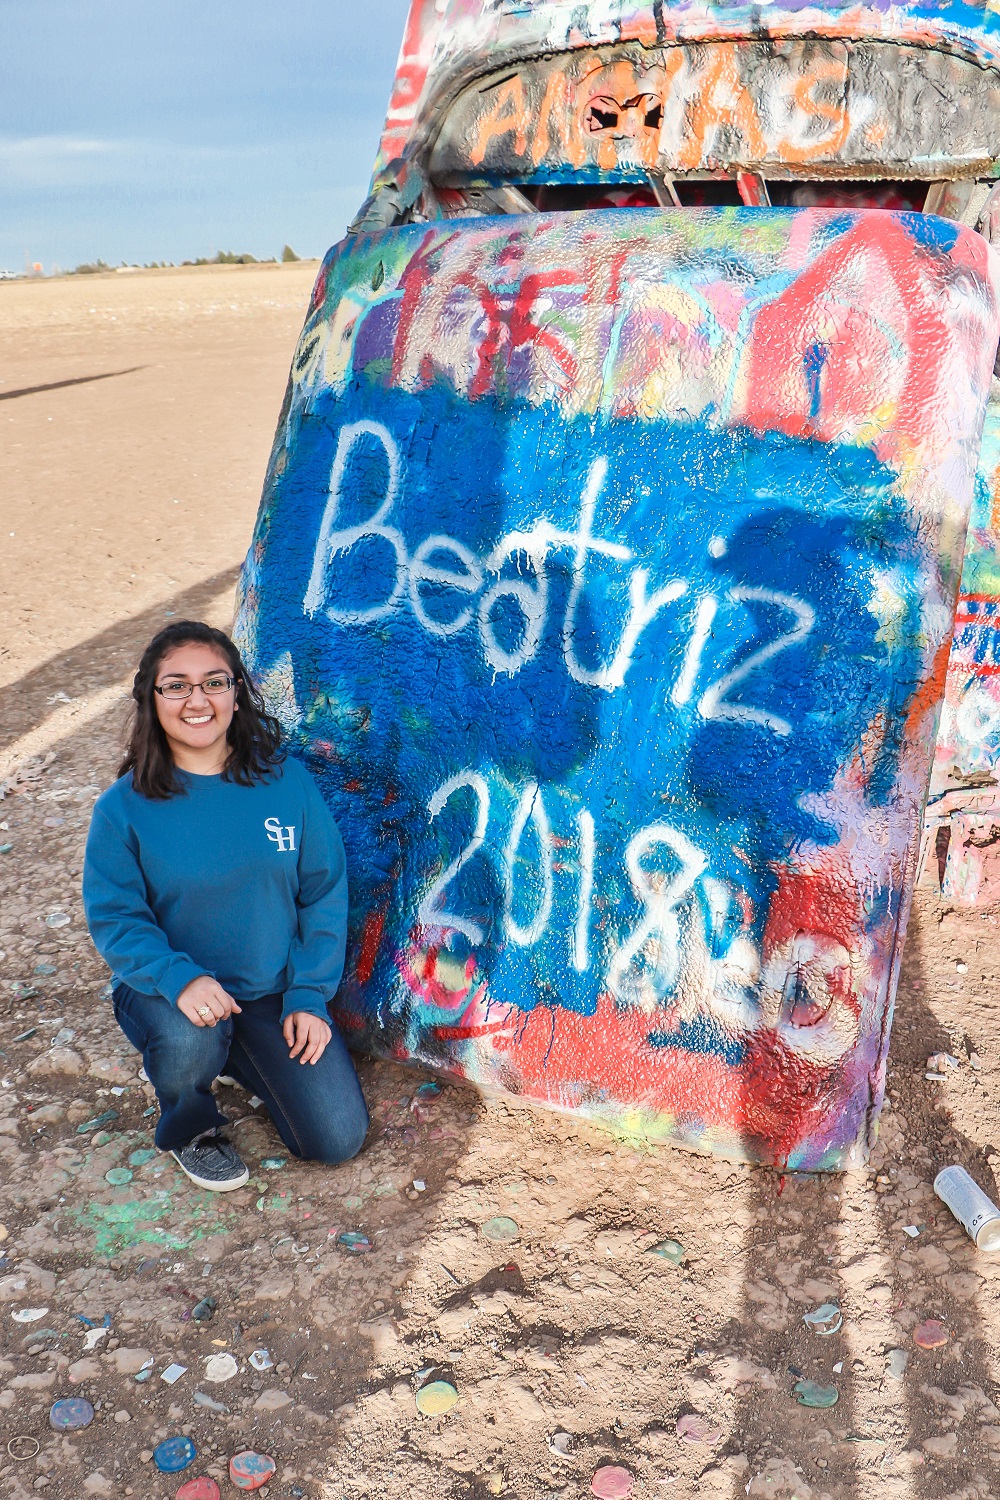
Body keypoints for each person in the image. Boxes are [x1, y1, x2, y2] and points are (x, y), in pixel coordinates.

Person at [82, 620, 368, 1191]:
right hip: (169, 990)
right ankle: (190, 1122)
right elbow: (117, 918)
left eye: (214, 682)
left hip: (266, 993)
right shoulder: (123, 808)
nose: (197, 700)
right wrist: (179, 978)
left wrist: (308, 995)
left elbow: (322, 891)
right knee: (189, 1038)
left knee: (336, 1138)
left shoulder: (286, 782)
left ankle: (233, 1053)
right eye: (176, 686)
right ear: (151, 698)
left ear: (237, 692)